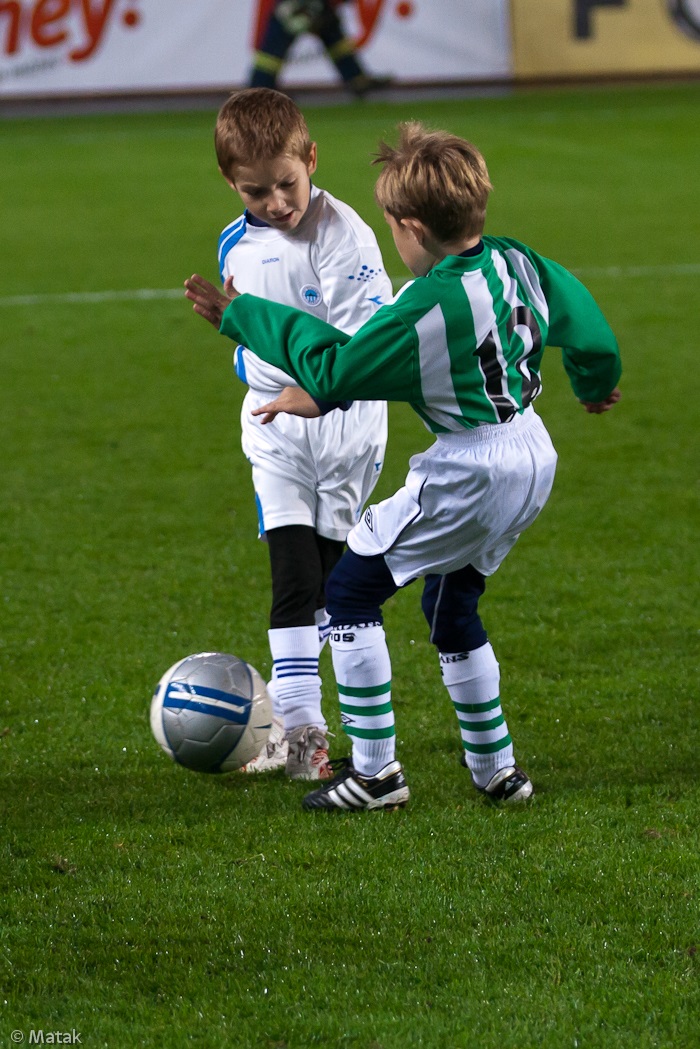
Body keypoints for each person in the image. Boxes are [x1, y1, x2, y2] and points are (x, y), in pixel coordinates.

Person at [185, 121, 622, 811]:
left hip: (470, 467)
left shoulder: (424, 306)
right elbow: (587, 323)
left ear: (410, 226)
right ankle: (497, 769)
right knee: (452, 607)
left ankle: (376, 772)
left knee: (353, 592)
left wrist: (246, 317)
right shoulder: (518, 260)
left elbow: (337, 366)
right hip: (533, 453)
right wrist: (597, 383)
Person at [209, 88, 391, 780]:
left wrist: (312, 391)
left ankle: (306, 716)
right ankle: (303, 731)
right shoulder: (235, 241)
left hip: (342, 428)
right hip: (272, 428)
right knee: (292, 577)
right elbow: (251, 322)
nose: (277, 203)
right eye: (257, 192)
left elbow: (364, 346)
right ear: (232, 183)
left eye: (287, 184)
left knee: (327, 583)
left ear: (311, 160)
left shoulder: (344, 238)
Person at [250, 0, 391, 98]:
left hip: (313, 6)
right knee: (273, 51)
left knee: (334, 36)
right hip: (294, 6)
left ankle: (357, 80)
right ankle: (257, 90)